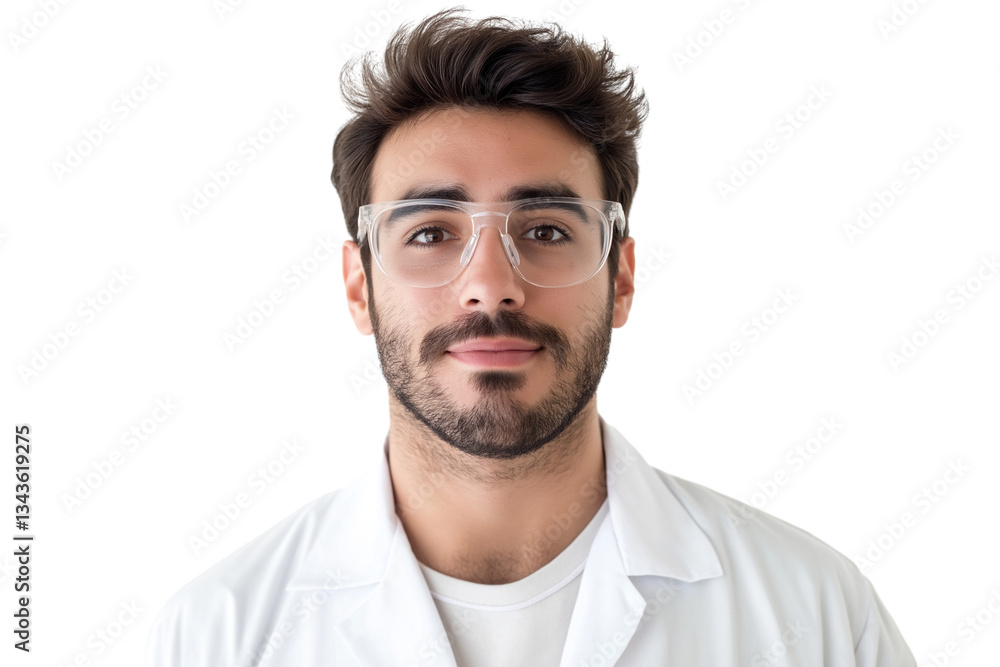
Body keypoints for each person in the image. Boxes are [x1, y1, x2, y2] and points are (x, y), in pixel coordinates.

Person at [146, 9, 917, 666]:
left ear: (620, 277)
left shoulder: (815, 618)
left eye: (545, 228)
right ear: (359, 284)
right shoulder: (218, 634)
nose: (491, 283)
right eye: (431, 233)